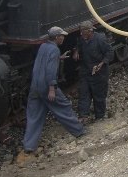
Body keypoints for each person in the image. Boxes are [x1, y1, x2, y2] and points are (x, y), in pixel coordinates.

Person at [18, 26, 85, 164]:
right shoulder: (54, 49)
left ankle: (29, 146)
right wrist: (52, 88)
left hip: (35, 87)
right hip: (46, 86)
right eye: (62, 36)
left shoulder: (43, 46)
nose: (63, 38)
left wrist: (58, 58)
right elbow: (50, 71)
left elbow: (42, 62)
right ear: (56, 37)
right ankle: (79, 131)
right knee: (63, 107)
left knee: (34, 117)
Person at [72, 24, 113, 122]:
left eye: (84, 33)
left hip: (100, 72)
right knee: (84, 93)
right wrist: (76, 51)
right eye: (81, 33)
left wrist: (102, 63)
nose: (82, 35)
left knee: (99, 95)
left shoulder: (100, 39)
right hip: (85, 70)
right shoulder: (82, 39)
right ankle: (83, 116)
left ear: (90, 31)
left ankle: (99, 116)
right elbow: (78, 45)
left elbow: (109, 52)